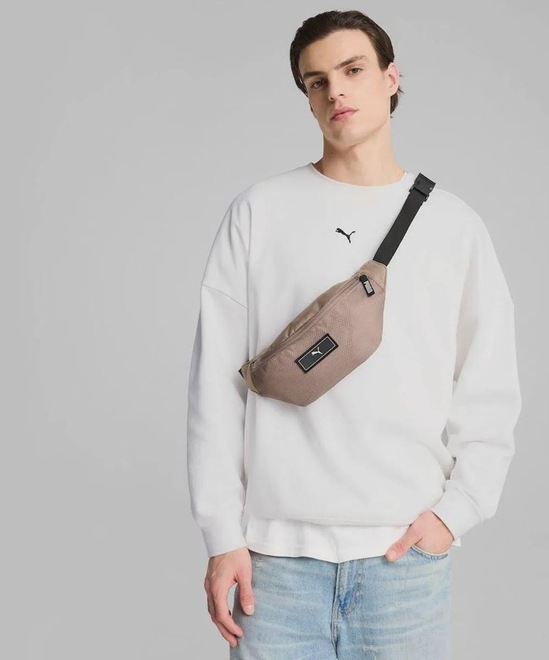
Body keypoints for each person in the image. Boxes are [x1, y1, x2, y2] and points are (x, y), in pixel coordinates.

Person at [186, 9, 522, 659]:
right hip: (275, 565)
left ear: (391, 78)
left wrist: (454, 514)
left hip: (404, 566)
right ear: (307, 99)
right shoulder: (259, 212)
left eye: (353, 70)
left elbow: (490, 385)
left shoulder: (455, 226)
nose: (335, 90)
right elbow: (215, 386)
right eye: (316, 81)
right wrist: (222, 535)